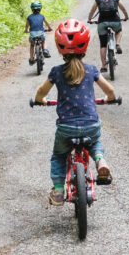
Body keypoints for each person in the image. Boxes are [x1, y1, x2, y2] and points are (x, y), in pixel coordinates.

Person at [33, 19, 115, 206]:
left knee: (59, 155)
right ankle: (100, 161)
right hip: (90, 124)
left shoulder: (56, 72)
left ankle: (59, 190)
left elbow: (40, 93)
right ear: (84, 45)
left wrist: (41, 101)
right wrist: (109, 98)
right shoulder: (92, 70)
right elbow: (110, 91)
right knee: (94, 143)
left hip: (66, 127)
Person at [87, 0, 129, 73]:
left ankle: (103, 66)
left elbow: (92, 11)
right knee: (119, 31)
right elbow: (124, 9)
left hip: (102, 23)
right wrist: (126, 17)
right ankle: (117, 43)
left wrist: (90, 19)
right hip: (115, 22)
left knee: (103, 44)